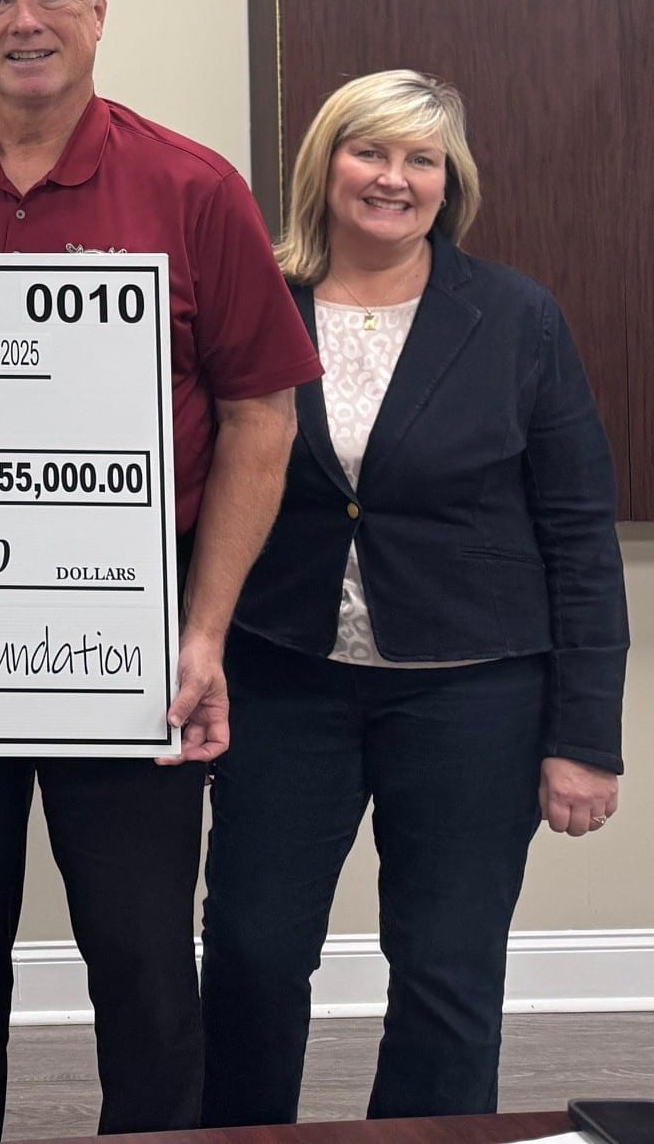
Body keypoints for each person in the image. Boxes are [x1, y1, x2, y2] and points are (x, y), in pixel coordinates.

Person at [0, 0, 320, 1143]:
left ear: (98, 13)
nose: (24, 23)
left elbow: (261, 415)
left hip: (131, 629)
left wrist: (201, 631)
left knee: (141, 950)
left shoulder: (193, 184)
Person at [199, 70, 627, 1124]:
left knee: (446, 967)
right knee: (251, 950)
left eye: (420, 160)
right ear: (325, 166)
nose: (392, 178)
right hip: (284, 678)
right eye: (370, 152)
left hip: (473, 696)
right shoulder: (259, 299)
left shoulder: (516, 316)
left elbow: (579, 534)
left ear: (449, 181)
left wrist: (585, 737)